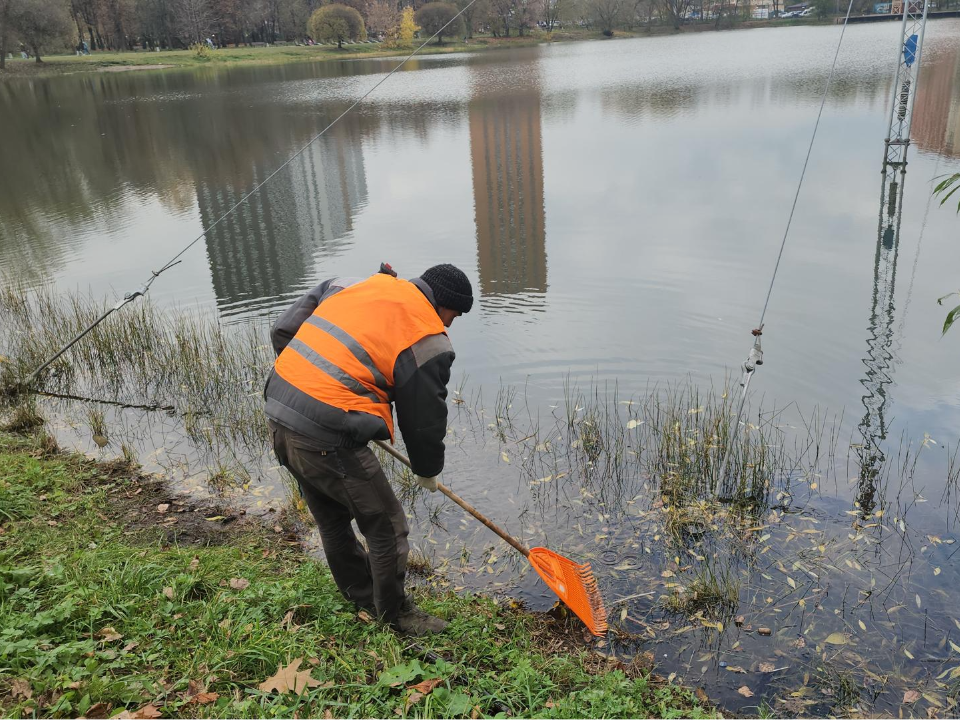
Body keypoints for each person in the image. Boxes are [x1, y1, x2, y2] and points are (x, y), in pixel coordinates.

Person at [264, 263, 473, 636]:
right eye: (454, 316)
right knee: (387, 527)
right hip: (324, 435)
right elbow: (423, 419)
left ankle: (361, 597)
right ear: (443, 305)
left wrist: (312, 385)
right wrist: (427, 470)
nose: (450, 325)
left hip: (279, 411)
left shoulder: (351, 283)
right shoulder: (428, 338)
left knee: (332, 518)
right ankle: (396, 616)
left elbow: (283, 330)